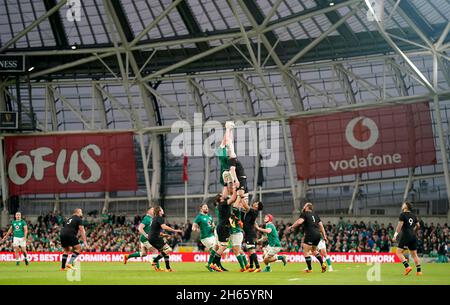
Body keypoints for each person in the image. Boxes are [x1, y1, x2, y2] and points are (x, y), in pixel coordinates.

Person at [288, 202, 327, 273]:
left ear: (307, 207)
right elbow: (321, 226)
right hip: (318, 235)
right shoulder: (316, 215)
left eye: (304, 206)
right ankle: (322, 263)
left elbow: (299, 222)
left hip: (310, 234)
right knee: (313, 250)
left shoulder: (304, 214)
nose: (303, 207)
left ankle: (309, 269)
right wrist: (324, 236)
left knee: (306, 251)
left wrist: (292, 226)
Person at [209, 187, 237, 272]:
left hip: (222, 226)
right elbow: (233, 198)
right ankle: (213, 264)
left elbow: (231, 198)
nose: (224, 195)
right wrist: (236, 189)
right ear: (220, 198)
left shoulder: (221, 205)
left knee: (221, 246)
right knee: (223, 246)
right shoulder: (223, 204)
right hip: (223, 227)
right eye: (222, 195)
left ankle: (215, 265)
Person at [149, 206, 183, 272]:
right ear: (159, 211)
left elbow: (154, 230)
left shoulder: (154, 218)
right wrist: (174, 230)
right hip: (155, 238)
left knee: (165, 252)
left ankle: (168, 268)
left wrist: (164, 235)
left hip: (151, 238)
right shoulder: (160, 218)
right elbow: (164, 227)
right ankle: (154, 260)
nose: (162, 210)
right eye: (161, 209)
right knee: (169, 249)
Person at [392, 201, 422, 276]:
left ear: (406, 206)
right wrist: (413, 230)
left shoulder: (402, 215)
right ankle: (419, 271)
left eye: (404, 204)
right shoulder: (414, 215)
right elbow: (418, 226)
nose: (402, 205)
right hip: (413, 236)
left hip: (406, 235)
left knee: (398, 252)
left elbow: (399, 226)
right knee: (414, 254)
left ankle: (407, 267)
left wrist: (395, 235)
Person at [192, 203, 217, 272]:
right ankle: (211, 264)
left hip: (212, 236)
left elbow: (213, 226)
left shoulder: (210, 217)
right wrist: (195, 229)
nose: (206, 208)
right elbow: (193, 226)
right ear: (201, 209)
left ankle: (212, 265)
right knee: (214, 249)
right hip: (205, 237)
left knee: (217, 250)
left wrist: (214, 227)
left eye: (207, 207)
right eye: (205, 207)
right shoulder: (199, 217)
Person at [229, 190, 249, 272]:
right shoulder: (231, 211)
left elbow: (235, 205)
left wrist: (238, 196)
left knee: (235, 250)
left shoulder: (236, 211)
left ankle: (243, 267)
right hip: (234, 233)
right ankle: (246, 264)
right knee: (238, 249)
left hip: (236, 232)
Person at [242, 199, 264, 272]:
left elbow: (245, 205)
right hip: (249, 233)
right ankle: (251, 267)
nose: (255, 203)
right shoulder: (253, 212)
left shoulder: (253, 211)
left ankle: (258, 267)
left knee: (251, 250)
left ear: (257, 207)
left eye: (256, 203)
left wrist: (241, 196)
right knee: (250, 250)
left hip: (250, 234)